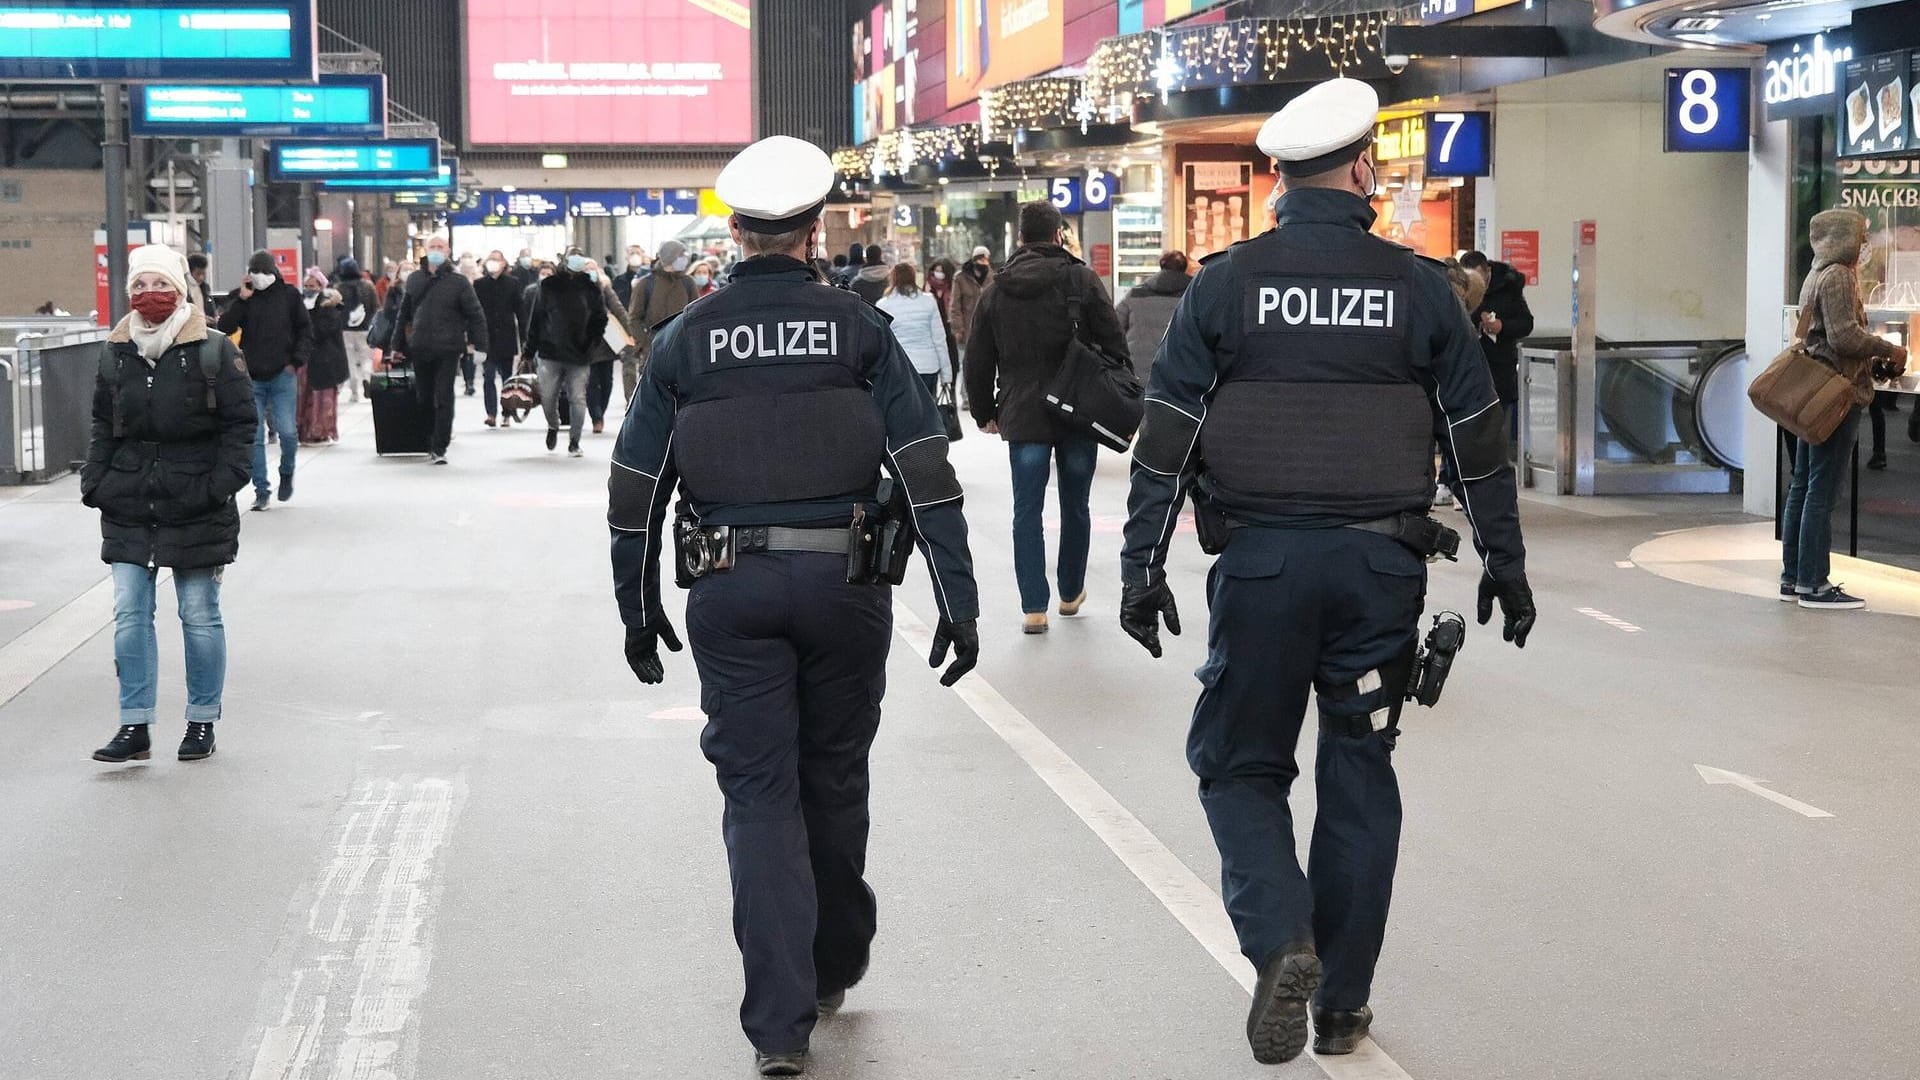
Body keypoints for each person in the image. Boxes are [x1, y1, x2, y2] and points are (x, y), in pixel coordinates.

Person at [1117, 78, 1534, 1065]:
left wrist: (1142, 565)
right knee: (1359, 769)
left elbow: (1165, 440)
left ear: (1277, 180)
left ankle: (1281, 942)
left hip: (1260, 566)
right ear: (1359, 171)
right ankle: (1342, 1004)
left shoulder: (1224, 285)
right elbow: (1478, 442)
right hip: (1381, 570)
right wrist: (1505, 563)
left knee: (1240, 765)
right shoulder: (1421, 288)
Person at [609, 135, 979, 1079]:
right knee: (835, 776)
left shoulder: (688, 338)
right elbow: (925, 467)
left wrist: (636, 601)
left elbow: (635, 481)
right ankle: (834, 960)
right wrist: (957, 593)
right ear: (815, 232)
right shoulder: (859, 331)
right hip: (847, 587)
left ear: (735, 234)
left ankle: (779, 1027)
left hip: (729, 592)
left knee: (758, 795)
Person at [82, 245, 255, 765]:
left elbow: (241, 425)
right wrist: (97, 481)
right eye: (138, 287)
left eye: (158, 285)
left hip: (196, 500)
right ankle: (134, 724)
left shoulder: (215, 350)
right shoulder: (116, 352)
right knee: (129, 614)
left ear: (180, 289)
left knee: (199, 613)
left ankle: (202, 720)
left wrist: (220, 485)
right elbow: (101, 424)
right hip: (129, 500)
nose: (147, 296)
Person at [964, 200, 1128, 635]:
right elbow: (1115, 344)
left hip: (1023, 412)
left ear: (1019, 238)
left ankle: (1034, 607)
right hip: (1078, 411)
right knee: (1075, 504)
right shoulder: (1082, 279)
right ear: (1059, 235)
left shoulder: (996, 290)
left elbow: (977, 359)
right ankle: (1070, 593)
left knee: (1027, 510)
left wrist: (984, 411)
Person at [1781, 208, 1906, 609]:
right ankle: (1814, 584)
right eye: (1861, 235)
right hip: (1836, 394)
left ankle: (1794, 576)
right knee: (1821, 489)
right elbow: (1844, 337)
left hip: (1812, 390)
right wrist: (1888, 348)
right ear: (1844, 238)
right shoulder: (1837, 275)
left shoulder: (1816, 272)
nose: (1866, 244)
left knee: (1803, 485)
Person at [218, 249, 310, 511]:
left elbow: (305, 329)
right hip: (251, 378)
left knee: (288, 432)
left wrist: (296, 361)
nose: (259, 277)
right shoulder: (243, 298)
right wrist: (243, 300)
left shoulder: (290, 296)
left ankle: (286, 472)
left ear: (274, 272)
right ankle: (262, 490)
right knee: (255, 437)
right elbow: (224, 327)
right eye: (254, 272)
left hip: (283, 374)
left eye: (264, 272)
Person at [392, 235, 488, 465]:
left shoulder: (459, 282)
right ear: (425, 251)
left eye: (440, 247)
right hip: (420, 345)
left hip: (448, 347)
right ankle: (428, 436)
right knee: (424, 396)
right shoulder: (415, 279)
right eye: (432, 247)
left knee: (443, 395)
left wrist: (480, 345)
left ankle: (440, 445)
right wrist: (396, 345)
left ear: (448, 251)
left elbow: (475, 315)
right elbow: (403, 315)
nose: (436, 251)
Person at [522, 246, 604, 458]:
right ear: (564, 260)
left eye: (580, 256)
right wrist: (528, 351)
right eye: (572, 256)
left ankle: (574, 441)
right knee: (548, 397)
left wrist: (592, 343)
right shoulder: (548, 286)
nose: (576, 260)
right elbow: (537, 319)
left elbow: (599, 318)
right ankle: (553, 425)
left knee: (577, 397)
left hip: (580, 353)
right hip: (550, 352)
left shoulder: (591, 288)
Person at [1458, 249, 1535, 444]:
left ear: (1486, 271)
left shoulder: (1508, 288)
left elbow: (1526, 323)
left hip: (1501, 368)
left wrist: (1502, 326)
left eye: (1477, 277)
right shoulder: (1463, 288)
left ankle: (1501, 462)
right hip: (1471, 368)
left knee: (1500, 425)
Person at [626, 238, 700, 402]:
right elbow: (634, 318)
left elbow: (696, 315)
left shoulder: (688, 283)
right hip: (653, 351)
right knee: (652, 398)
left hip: (683, 350)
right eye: (680, 255)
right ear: (669, 257)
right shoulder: (646, 284)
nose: (684, 259)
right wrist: (644, 344)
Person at [875, 263, 950, 400]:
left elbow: (882, 343)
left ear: (893, 278)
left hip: (899, 367)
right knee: (927, 412)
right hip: (928, 366)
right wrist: (947, 374)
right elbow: (939, 339)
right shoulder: (928, 301)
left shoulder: (883, 305)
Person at [1115, 251, 1193, 381]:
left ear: (1161, 266)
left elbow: (1114, 327)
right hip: (1180, 372)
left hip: (1138, 371)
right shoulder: (1194, 295)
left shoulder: (1135, 293)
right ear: (1184, 267)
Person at [582, 257, 634, 435]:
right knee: (591, 381)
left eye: (592, 268)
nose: (589, 272)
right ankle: (596, 417)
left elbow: (619, 309)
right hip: (586, 341)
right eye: (586, 269)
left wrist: (630, 331)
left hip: (607, 341)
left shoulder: (605, 288)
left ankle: (600, 411)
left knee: (606, 381)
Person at [474, 249, 525, 428]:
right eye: (491, 259)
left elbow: (520, 310)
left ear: (504, 264)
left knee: (507, 378)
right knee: (488, 376)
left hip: (506, 336)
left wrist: (525, 338)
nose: (494, 263)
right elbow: (474, 312)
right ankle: (491, 413)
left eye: (497, 260)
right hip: (486, 338)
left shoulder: (512, 284)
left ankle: (507, 412)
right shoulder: (479, 284)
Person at [301, 285, 348, 445]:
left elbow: (319, 333)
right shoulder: (323, 311)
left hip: (325, 362)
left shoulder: (329, 313)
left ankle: (319, 430)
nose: (309, 289)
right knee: (312, 397)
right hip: (317, 361)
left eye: (313, 285)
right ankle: (313, 429)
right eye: (307, 285)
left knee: (321, 398)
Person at [333, 258, 378, 402]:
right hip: (365, 328)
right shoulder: (368, 286)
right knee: (366, 357)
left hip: (345, 330)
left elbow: (335, 310)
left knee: (350, 360)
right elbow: (375, 307)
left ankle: (354, 391)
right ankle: (366, 376)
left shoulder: (339, 288)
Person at [950, 246, 993, 362]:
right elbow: (955, 305)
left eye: (986, 260)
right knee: (966, 362)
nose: (984, 263)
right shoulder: (960, 278)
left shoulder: (992, 278)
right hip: (967, 327)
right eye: (981, 259)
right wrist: (958, 328)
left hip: (987, 329)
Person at [613, 244, 650, 308]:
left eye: (638, 253)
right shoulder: (618, 280)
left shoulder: (650, 279)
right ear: (626, 257)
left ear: (643, 257)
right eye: (632, 253)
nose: (635, 256)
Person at [185, 252, 217, 318]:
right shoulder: (183, 288)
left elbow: (211, 310)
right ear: (189, 272)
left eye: (204, 273)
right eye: (198, 274)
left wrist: (214, 317)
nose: (201, 277)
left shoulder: (206, 287)